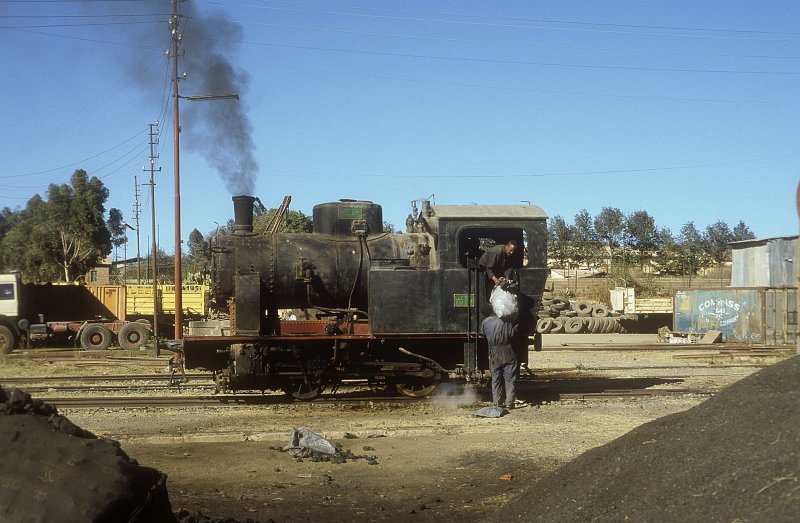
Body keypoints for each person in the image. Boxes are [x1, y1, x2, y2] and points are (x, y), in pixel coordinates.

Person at [481, 307, 520, 409]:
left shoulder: (485, 322)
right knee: (509, 378)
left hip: (493, 351)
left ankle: (497, 402)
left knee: (495, 378)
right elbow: (512, 334)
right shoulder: (506, 320)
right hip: (507, 350)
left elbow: (483, 334)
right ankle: (509, 402)